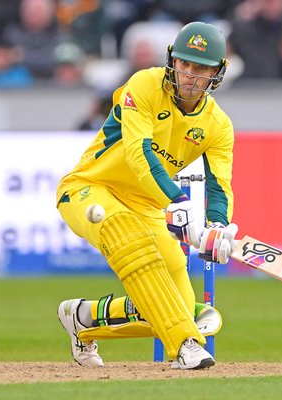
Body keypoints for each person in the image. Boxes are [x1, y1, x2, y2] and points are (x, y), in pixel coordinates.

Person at [55, 21, 236, 370]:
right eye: (183, 63)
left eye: (201, 68)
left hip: (148, 206)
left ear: (217, 73)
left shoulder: (218, 125)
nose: (189, 75)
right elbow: (140, 155)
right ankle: (186, 345)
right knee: (127, 235)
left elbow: (219, 186)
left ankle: (82, 319)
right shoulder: (144, 84)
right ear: (172, 61)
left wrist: (217, 226)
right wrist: (178, 202)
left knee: (177, 309)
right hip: (91, 188)